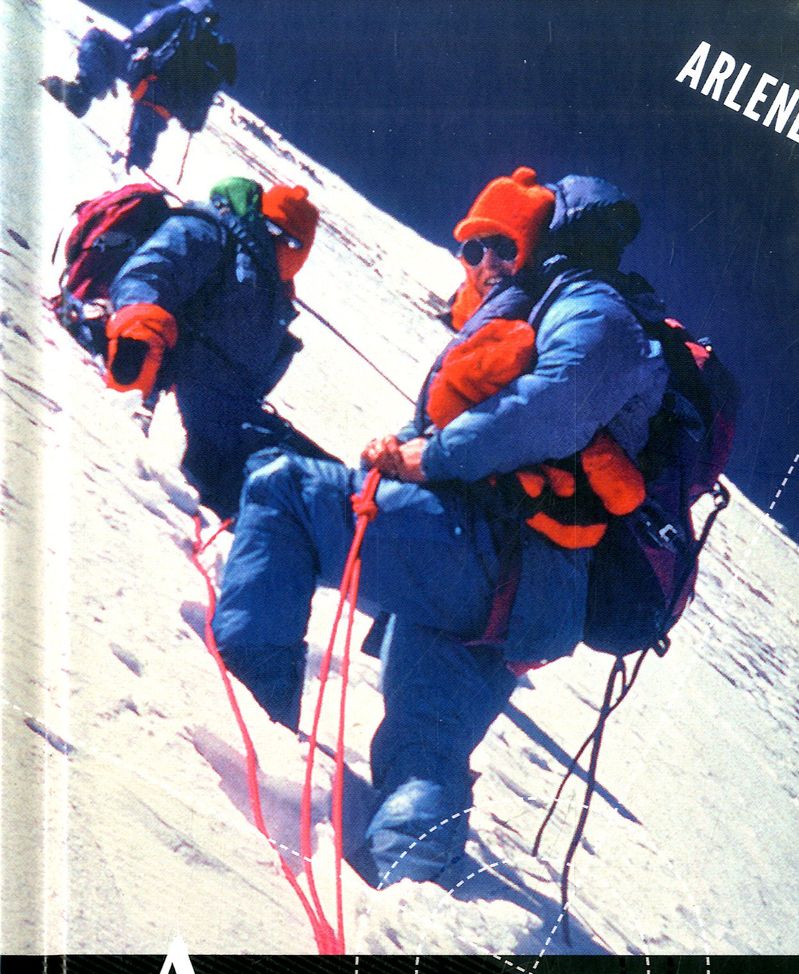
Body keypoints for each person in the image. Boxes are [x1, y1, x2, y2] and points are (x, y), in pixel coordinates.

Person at [212, 167, 670, 887]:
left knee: (285, 493)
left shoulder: (595, 310)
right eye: (471, 247)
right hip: (522, 593)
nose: (484, 262)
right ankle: (412, 904)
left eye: (503, 245)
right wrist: (402, 453)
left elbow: (551, 407)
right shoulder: (539, 310)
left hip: (490, 552)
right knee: (424, 752)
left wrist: (429, 458)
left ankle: (249, 717)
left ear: (547, 237)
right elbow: (462, 423)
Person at [105, 176, 322, 514]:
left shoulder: (275, 289)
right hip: (177, 395)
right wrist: (140, 325)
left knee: (324, 474)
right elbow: (149, 272)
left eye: (292, 243)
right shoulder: (212, 233)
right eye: (272, 230)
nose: (279, 243)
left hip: (229, 412)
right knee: (294, 487)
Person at [42, 1, 236, 171]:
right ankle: (135, 167)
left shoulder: (180, 13)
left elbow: (141, 33)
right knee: (145, 130)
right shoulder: (213, 49)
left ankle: (82, 94)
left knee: (97, 38)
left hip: (148, 76)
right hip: (170, 102)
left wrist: (122, 61)